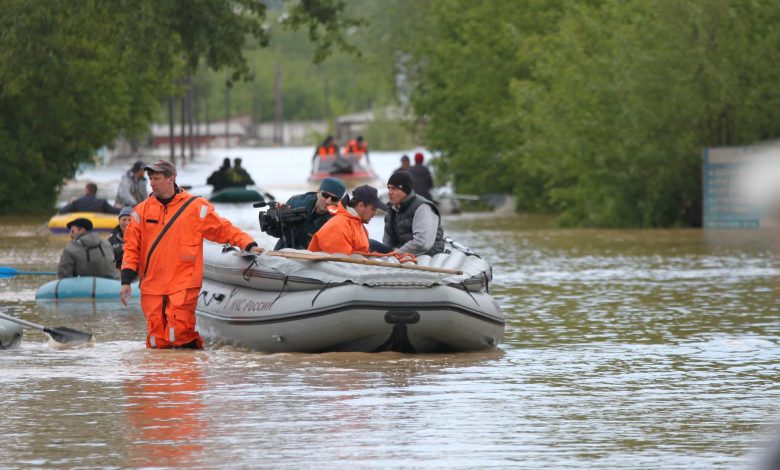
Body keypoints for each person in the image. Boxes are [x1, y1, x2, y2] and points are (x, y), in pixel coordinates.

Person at [119, 160, 265, 350]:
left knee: (179, 332)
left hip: (183, 281)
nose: (152, 183)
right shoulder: (141, 211)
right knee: (156, 339)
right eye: (150, 179)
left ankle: (187, 374)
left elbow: (222, 229)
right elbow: (131, 247)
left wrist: (248, 244)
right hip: (152, 284)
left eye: (156, 178)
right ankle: (157, 377)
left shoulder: (195, 207)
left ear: (171, 179)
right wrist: (126, 280)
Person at [268, 177, 346, 250]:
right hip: (284, 252)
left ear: (339, 201)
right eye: (325, 195)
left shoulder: (339, 219)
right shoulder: (296, 202)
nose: (328, 201)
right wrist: (273, 224)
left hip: (313, 259)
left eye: (334, 199)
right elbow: (277, 233)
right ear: (318, 192)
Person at [308, 185, 388, 254]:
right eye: (373, 209)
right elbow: (342, 263)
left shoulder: (358, 225)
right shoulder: (339, 225)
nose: (374, 214)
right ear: (361, 205)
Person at [383, 171, 445, 256]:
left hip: (427, 254)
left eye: (394, 188)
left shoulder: (423, 207)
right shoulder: (391, 210)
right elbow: (387, 242)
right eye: (388, 188)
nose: (389, 192)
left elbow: (422, 243)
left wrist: (397, 253)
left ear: (405, 189)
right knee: (371, 244)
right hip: (401, 252)